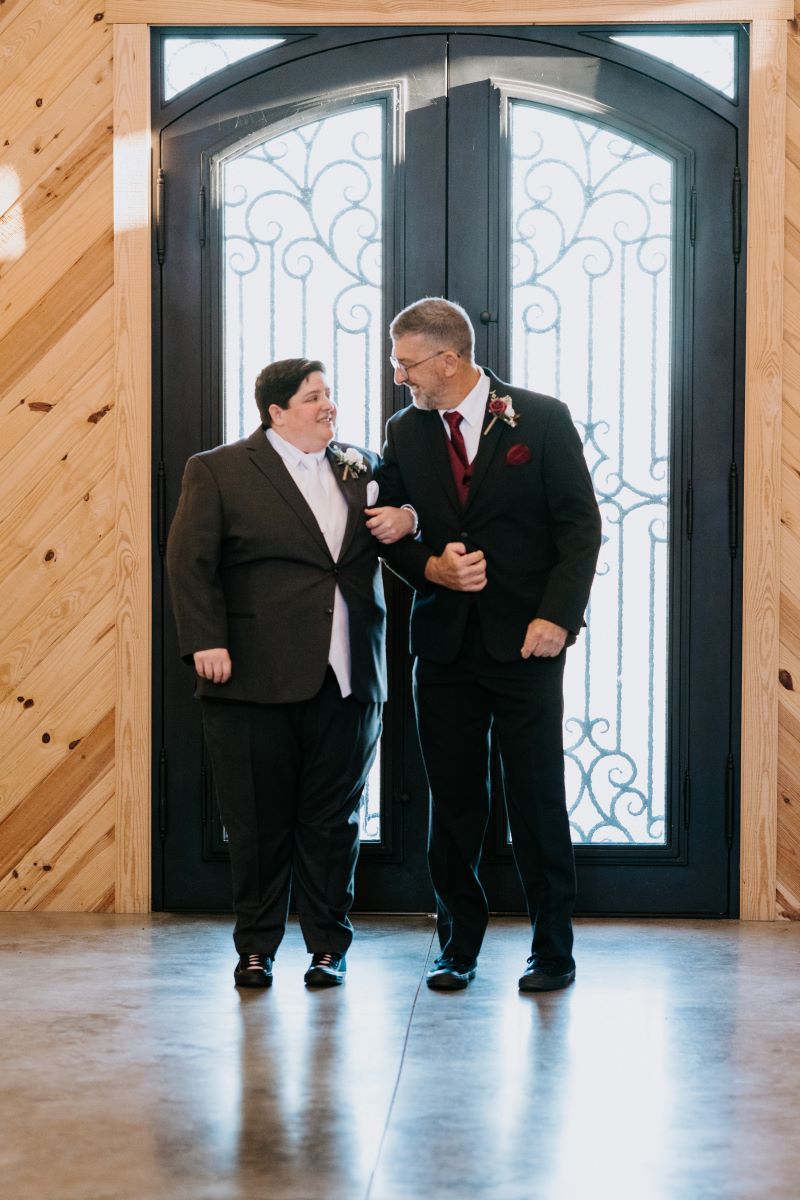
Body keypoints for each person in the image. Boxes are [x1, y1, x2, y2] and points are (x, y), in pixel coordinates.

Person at [374, 299, 602, 993]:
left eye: (406, 364)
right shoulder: (404, 432)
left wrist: (557, 618)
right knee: (453, 801)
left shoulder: (541, 417)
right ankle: (457, 945)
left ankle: (552, 949)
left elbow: (579, 528)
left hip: (527, 645)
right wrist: (430, 569)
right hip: (443, 648)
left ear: (449, 359)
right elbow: (389, 533)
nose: (399, 378)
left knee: (535, 798)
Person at [166, 358, 414, 989]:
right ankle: (256, 948)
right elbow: (189, 564)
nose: (328, 405)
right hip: (251, 677)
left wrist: (409, 521)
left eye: (329, 394)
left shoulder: (362, 466)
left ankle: (329, 948)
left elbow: (410, 523)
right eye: (312, 398)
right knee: (256, 822)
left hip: (350, 675)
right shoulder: (217, 470)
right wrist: (205, 642)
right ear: (276, 412)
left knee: (335, 821)